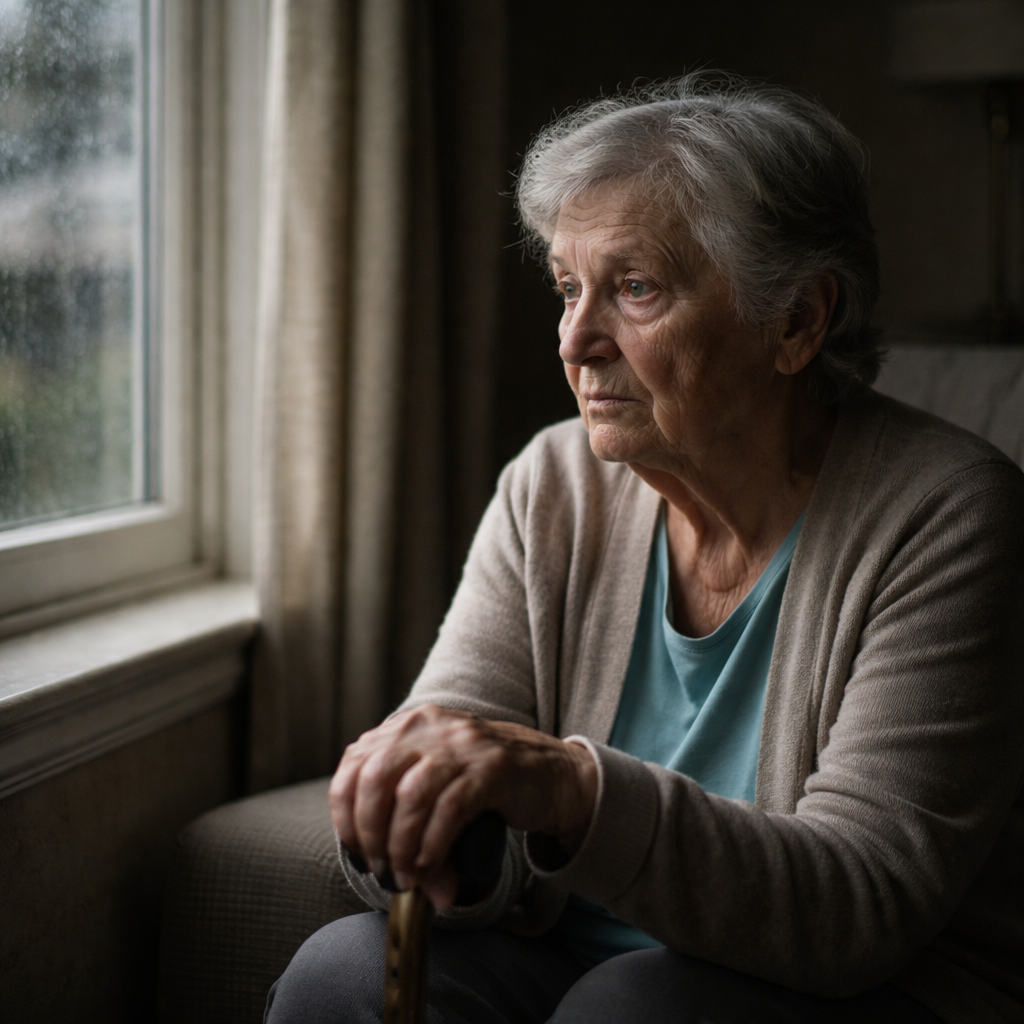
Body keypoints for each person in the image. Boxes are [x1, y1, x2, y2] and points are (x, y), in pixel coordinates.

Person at [265, 73, 1024, 1024]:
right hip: (566, 960)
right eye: (568, 289)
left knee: (635, 1007)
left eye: (634, 289)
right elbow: (456, 750)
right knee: (342, 973)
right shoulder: (554, 484)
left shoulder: (950, 514)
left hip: (864, 986)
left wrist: (571, 791)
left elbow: (856, 906)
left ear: (796, 321)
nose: (576, 341)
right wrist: (417, 806)